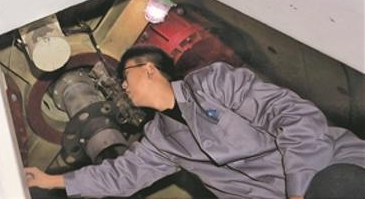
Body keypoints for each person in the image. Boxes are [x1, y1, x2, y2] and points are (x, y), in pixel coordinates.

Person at [25, 46, 365, 199]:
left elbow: (294, 116)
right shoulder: (159, 140)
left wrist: (300, 190)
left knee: (336, 187)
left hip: (327, 169)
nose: (122, 87)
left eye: (125, 76)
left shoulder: (212, 84)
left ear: (149, 69)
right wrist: (52, 181)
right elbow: (121, 175)